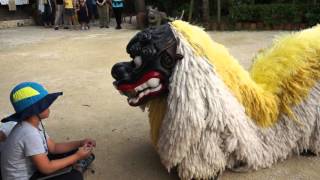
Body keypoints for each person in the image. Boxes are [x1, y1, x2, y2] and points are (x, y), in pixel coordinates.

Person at [1, 82, 96, 180]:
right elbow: (46, 168)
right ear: (35, 110)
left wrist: (80, 143)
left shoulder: (33, 124)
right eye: (45, 104)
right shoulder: (29, 133)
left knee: (76, 151)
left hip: (35, 168)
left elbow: (54, 147)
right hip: (26, 177)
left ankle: (75, 166)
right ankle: (76, 168)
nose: (49, 107)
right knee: (74, 177)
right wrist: (77, 156)